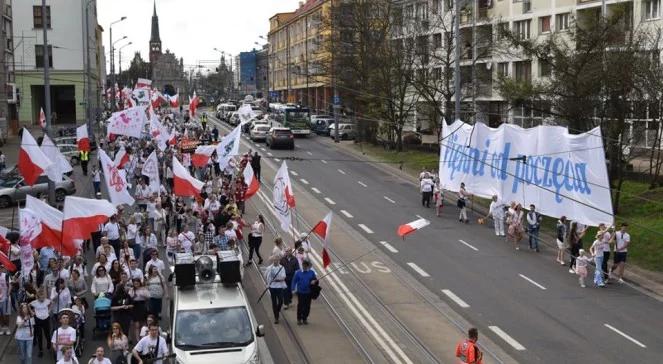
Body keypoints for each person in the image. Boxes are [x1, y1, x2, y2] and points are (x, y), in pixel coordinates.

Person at [291, 259, 317, 325]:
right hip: (300, 292)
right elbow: (294, 281)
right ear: (302, 265)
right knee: (300, 306)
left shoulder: (311, 273)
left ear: (308, 266)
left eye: (305, 266)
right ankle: (299, 319)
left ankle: (305, 318)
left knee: (307, 306)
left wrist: (314, 281)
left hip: (309, 292)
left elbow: (316, 280)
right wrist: (293, 289)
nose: (304, 267)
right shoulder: (298, 273)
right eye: (303, 266)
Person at [265, 256, 287, 324]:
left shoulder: (281, 268)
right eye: (274, 260)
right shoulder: (269, 268)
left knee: (280, 300)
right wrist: (268, 283)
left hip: (279, 286)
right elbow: (266, 275)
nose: (275, 261)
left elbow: (283, 277)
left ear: (279, 261)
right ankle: (276, 317)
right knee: (274, 302)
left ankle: (277, 310)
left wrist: (277, 279)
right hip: (272, 287)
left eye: (277, 260)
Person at [30, 288, 51, 358]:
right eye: (41, 298)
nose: (42, 299)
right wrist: (32, 312)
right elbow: (28, 305)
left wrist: (49, 310)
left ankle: (48, 342)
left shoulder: (47, 301)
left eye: (43, 298)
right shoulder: (35, 302)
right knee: (39, 335)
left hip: (46, 319)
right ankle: (40, 350)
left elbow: (51, 303)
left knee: (47, 333)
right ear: (38, 297)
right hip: (38, 320)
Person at [0, 265, 10, 335]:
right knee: (0, 315)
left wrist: (8, 293)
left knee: (6, 314)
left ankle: (7, 328)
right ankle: (2, 328)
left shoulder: (6, 276)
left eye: (1, 267)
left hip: (6, 298)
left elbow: (10, 286)